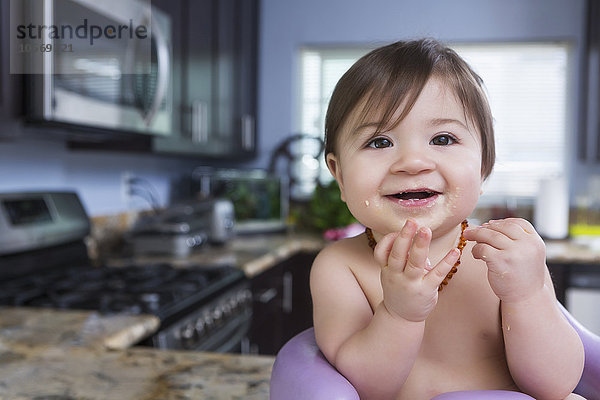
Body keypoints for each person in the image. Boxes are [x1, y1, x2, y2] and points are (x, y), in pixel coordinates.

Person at [310, 38, 585, 400]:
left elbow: (555, 385)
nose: (412, 162)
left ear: (484, 167)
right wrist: (398, 315)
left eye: (442, 138)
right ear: (339, 174)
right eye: (379, 142)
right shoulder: (340, 268)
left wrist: (528, 294)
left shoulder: (505, 259)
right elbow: (364, 389)